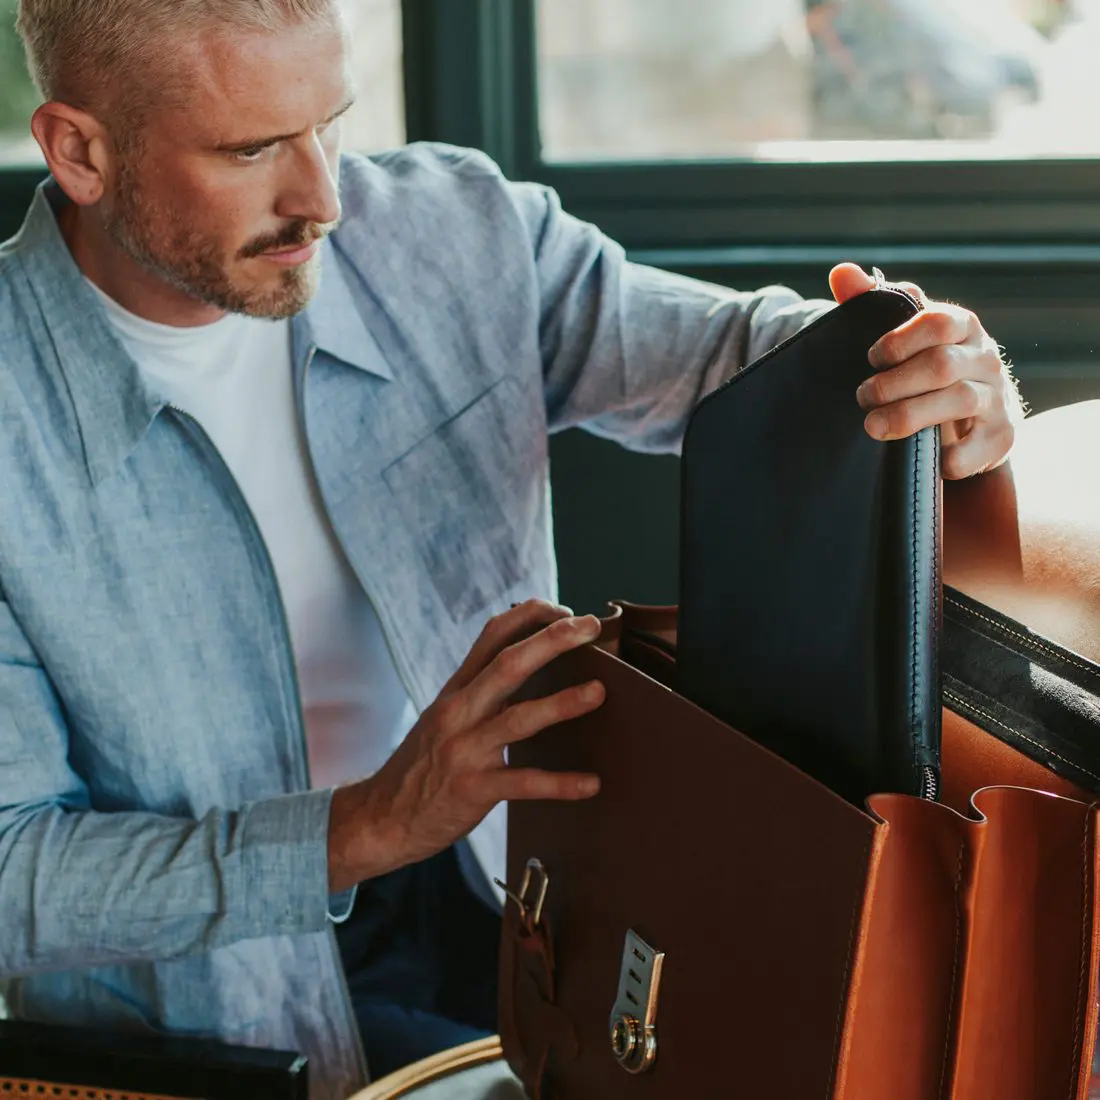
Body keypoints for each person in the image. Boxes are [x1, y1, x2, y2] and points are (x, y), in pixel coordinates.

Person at [0, 0, 1021, 1096]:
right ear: (80, 150)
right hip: (218, 1018)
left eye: (327, 125)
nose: (324, 200)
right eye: (251, 150)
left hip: (536, 896)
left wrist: (916, 370)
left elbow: (734, 361)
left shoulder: (454, 229)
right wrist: (367, 825)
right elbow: (15, 871)